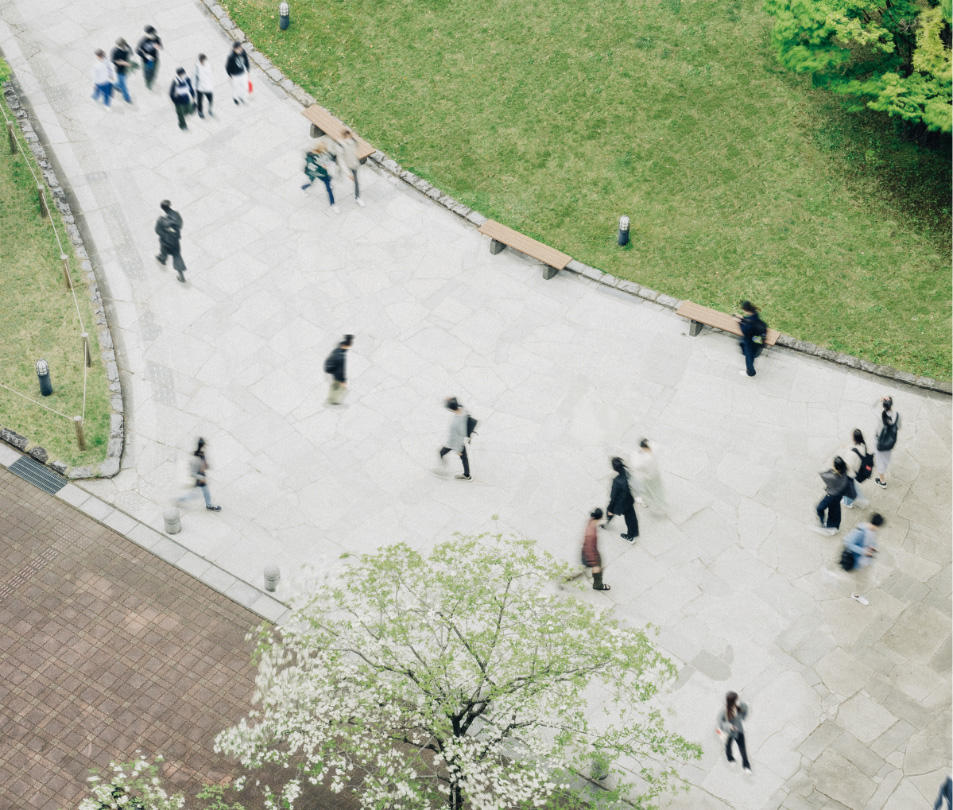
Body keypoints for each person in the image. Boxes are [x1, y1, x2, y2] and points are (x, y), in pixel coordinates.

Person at [843, 514, 882, 605]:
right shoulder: (860, 531)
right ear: (876, 525)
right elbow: (849, 543)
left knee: (859, 579)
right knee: (862, 581)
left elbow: (871, 542)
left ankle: (833, 576)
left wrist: (873, 547)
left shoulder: (872, 531)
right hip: (858, 561)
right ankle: (856, 596)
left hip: (865, 561)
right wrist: (864, 552)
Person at [176, 438, 221, 511]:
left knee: (206, 491)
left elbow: (204, 464)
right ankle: (179, 500)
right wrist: (201, 478)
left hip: (202, 477)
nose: (206, 447)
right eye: (204, 445)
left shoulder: (202, 453)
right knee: (194, 495)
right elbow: (192, 473)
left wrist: (206, 466)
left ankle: (209, 505)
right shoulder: (194, 459)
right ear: (201, 446)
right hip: (199, 479)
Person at [604, 457, 638, 543]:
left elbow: (614, 497)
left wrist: (611, 509)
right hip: (629, 500)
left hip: (622, 503)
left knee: (611, 511)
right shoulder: (626, 471)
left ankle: (630, 536)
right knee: (632, 518)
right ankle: (633, 533)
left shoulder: (617, 481)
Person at [814, 456, 849, 536]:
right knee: (835, 509)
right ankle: (834, 526)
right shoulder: (845, 470)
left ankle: (824, 523)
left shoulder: (831, 476)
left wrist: (826, 464)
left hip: (832, 495)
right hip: (840, 493)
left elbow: (822, 474)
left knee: (820, 508)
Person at [717, 692, 751, 772]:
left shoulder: (740, 705)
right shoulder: (724, 710)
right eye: (736, 699)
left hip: (739, 731)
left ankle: (746, 765)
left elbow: (746, 708)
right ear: (731, 701)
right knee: (728, 746)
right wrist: (729, 726)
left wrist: (743, 717)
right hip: (729, 733)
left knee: (742, 748)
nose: (738, 701)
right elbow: (720, 721)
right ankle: (730, 758)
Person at [438, 398, 471, 481]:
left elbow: (461, 435)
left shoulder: (457, 422)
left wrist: (459, 449)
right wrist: (451, 399)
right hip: (454, 442)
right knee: (464, 458)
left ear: (451, 409)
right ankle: (466, 475)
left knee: (442, 452)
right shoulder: (462, 409)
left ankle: (466, 475)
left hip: (454, 443)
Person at [301, 142, 339, 213]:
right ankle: (303, 188)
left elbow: (331, 158)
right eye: (324, 149)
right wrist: (322, 166)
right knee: (310, 183)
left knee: (329, 189)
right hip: (316, 173)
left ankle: (332, 203)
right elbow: (312, 167)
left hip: (324, 174)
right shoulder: (312, 156)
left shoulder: (325, 153)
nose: (325, 150)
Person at [837, 429, 870, 509]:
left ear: (854, 438)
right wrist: (849, 447)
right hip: (858, 469)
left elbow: (848, 466)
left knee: (849, 488)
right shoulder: (863, 445)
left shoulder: (851, 454)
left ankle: (848, 503)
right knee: (852, 486)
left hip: (851, 473)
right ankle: (859, 499)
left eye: (851, 436)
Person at [154, 200, 187, 282]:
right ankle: (181, 275)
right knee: (177, 255)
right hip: (175, 240)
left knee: (163, 246)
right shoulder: (176, 214)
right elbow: (180, 225)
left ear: (162, 208)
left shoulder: (161, 220)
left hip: (166, 241)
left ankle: (162, 258)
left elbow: (157, 231)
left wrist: (164, 234)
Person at [631, 439, 666, 512]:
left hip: (647, 477)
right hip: (655, 475)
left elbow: (637, 466)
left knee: (646, 491)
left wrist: (637, 454)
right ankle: (661, 503)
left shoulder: (645, 458)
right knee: (657, 490)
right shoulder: (654, 450)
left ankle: (645, 502)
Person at [734, 301, 767, 378]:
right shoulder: (755, 315)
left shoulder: (749, 324)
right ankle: (754, 354)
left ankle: (750, 372)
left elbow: (745, 331)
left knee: (749, 356)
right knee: (752, 352)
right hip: (757, 339)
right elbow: (750, 321)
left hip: (750, 341)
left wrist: (739, 322)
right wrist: (742, 319)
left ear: (746, 310)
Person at [873, 396, 900, 489]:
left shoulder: (881, 416)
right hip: (890, 442)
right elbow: (898, 427)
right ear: (891, 404)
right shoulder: (897, 415)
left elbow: (871, 407)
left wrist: (878, 399)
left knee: (880, 461)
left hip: (880, 441)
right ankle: (882, 460)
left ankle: (882, 481)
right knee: (884, 458)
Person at [582, 508, 610, 591]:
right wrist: (594, 563)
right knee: (597, 570)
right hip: (591, 555)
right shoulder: (591, 534)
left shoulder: (591, 521)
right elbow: (590, 547)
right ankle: (598, 586)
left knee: (583, 571)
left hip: (588, 552)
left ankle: (564, 578)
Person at [337, 128, 365, 207]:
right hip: (345, 164)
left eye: (350, 136)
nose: (350, 138)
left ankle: (357, 197)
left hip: (353, 164)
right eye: (348, 137)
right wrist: (348, 173)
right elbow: (341, 161)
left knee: (356, 181)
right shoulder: (341, 145)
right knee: (336, 173)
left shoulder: (354, 142)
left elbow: (355, 149)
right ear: (344, 137)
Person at [324, 334, 353, 405]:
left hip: (334, 371)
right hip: (338, 374)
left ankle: (331, 400)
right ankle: (333, 401)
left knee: (335, 386)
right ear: (346, 346)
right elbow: (341, 369)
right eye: (348, 347)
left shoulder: (336, 350)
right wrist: (343, 380)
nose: (348, 348)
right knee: (340, 387)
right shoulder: (341, 355)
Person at [136, 26, 162, 90]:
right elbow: (137, 51)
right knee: (147, 73)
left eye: (153, 34)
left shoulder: (157, 39)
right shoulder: (143, 41)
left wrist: (158, 47)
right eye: (151, 34)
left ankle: (151, 80)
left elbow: (161, 48)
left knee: (154, 72)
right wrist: (146, 56)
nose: (153, 36)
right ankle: (148, 84)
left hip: (155, 59)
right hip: (146, 61)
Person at [110, 38, 134, 104]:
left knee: (122, 83)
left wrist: (128, 63)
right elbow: (114, 61)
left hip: (126, 69)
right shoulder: (116, 51)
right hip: (120, 70)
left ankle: (115, 86)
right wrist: (124, 63)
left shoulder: (126, 48)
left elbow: (131, 54)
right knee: (124, 85)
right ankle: (127, 98)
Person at [194, 54, 214, 118]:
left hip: (207, 86)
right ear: (201, 61)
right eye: (204, 60)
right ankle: (200, 112)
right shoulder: (197, 67)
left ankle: (210, 110)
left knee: (210, 99)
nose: (205, 61)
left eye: (206, 59)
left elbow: (210, 74)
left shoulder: (208, 65)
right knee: (200, 101)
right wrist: (195, 87)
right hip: (200, 87)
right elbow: (194, 78)